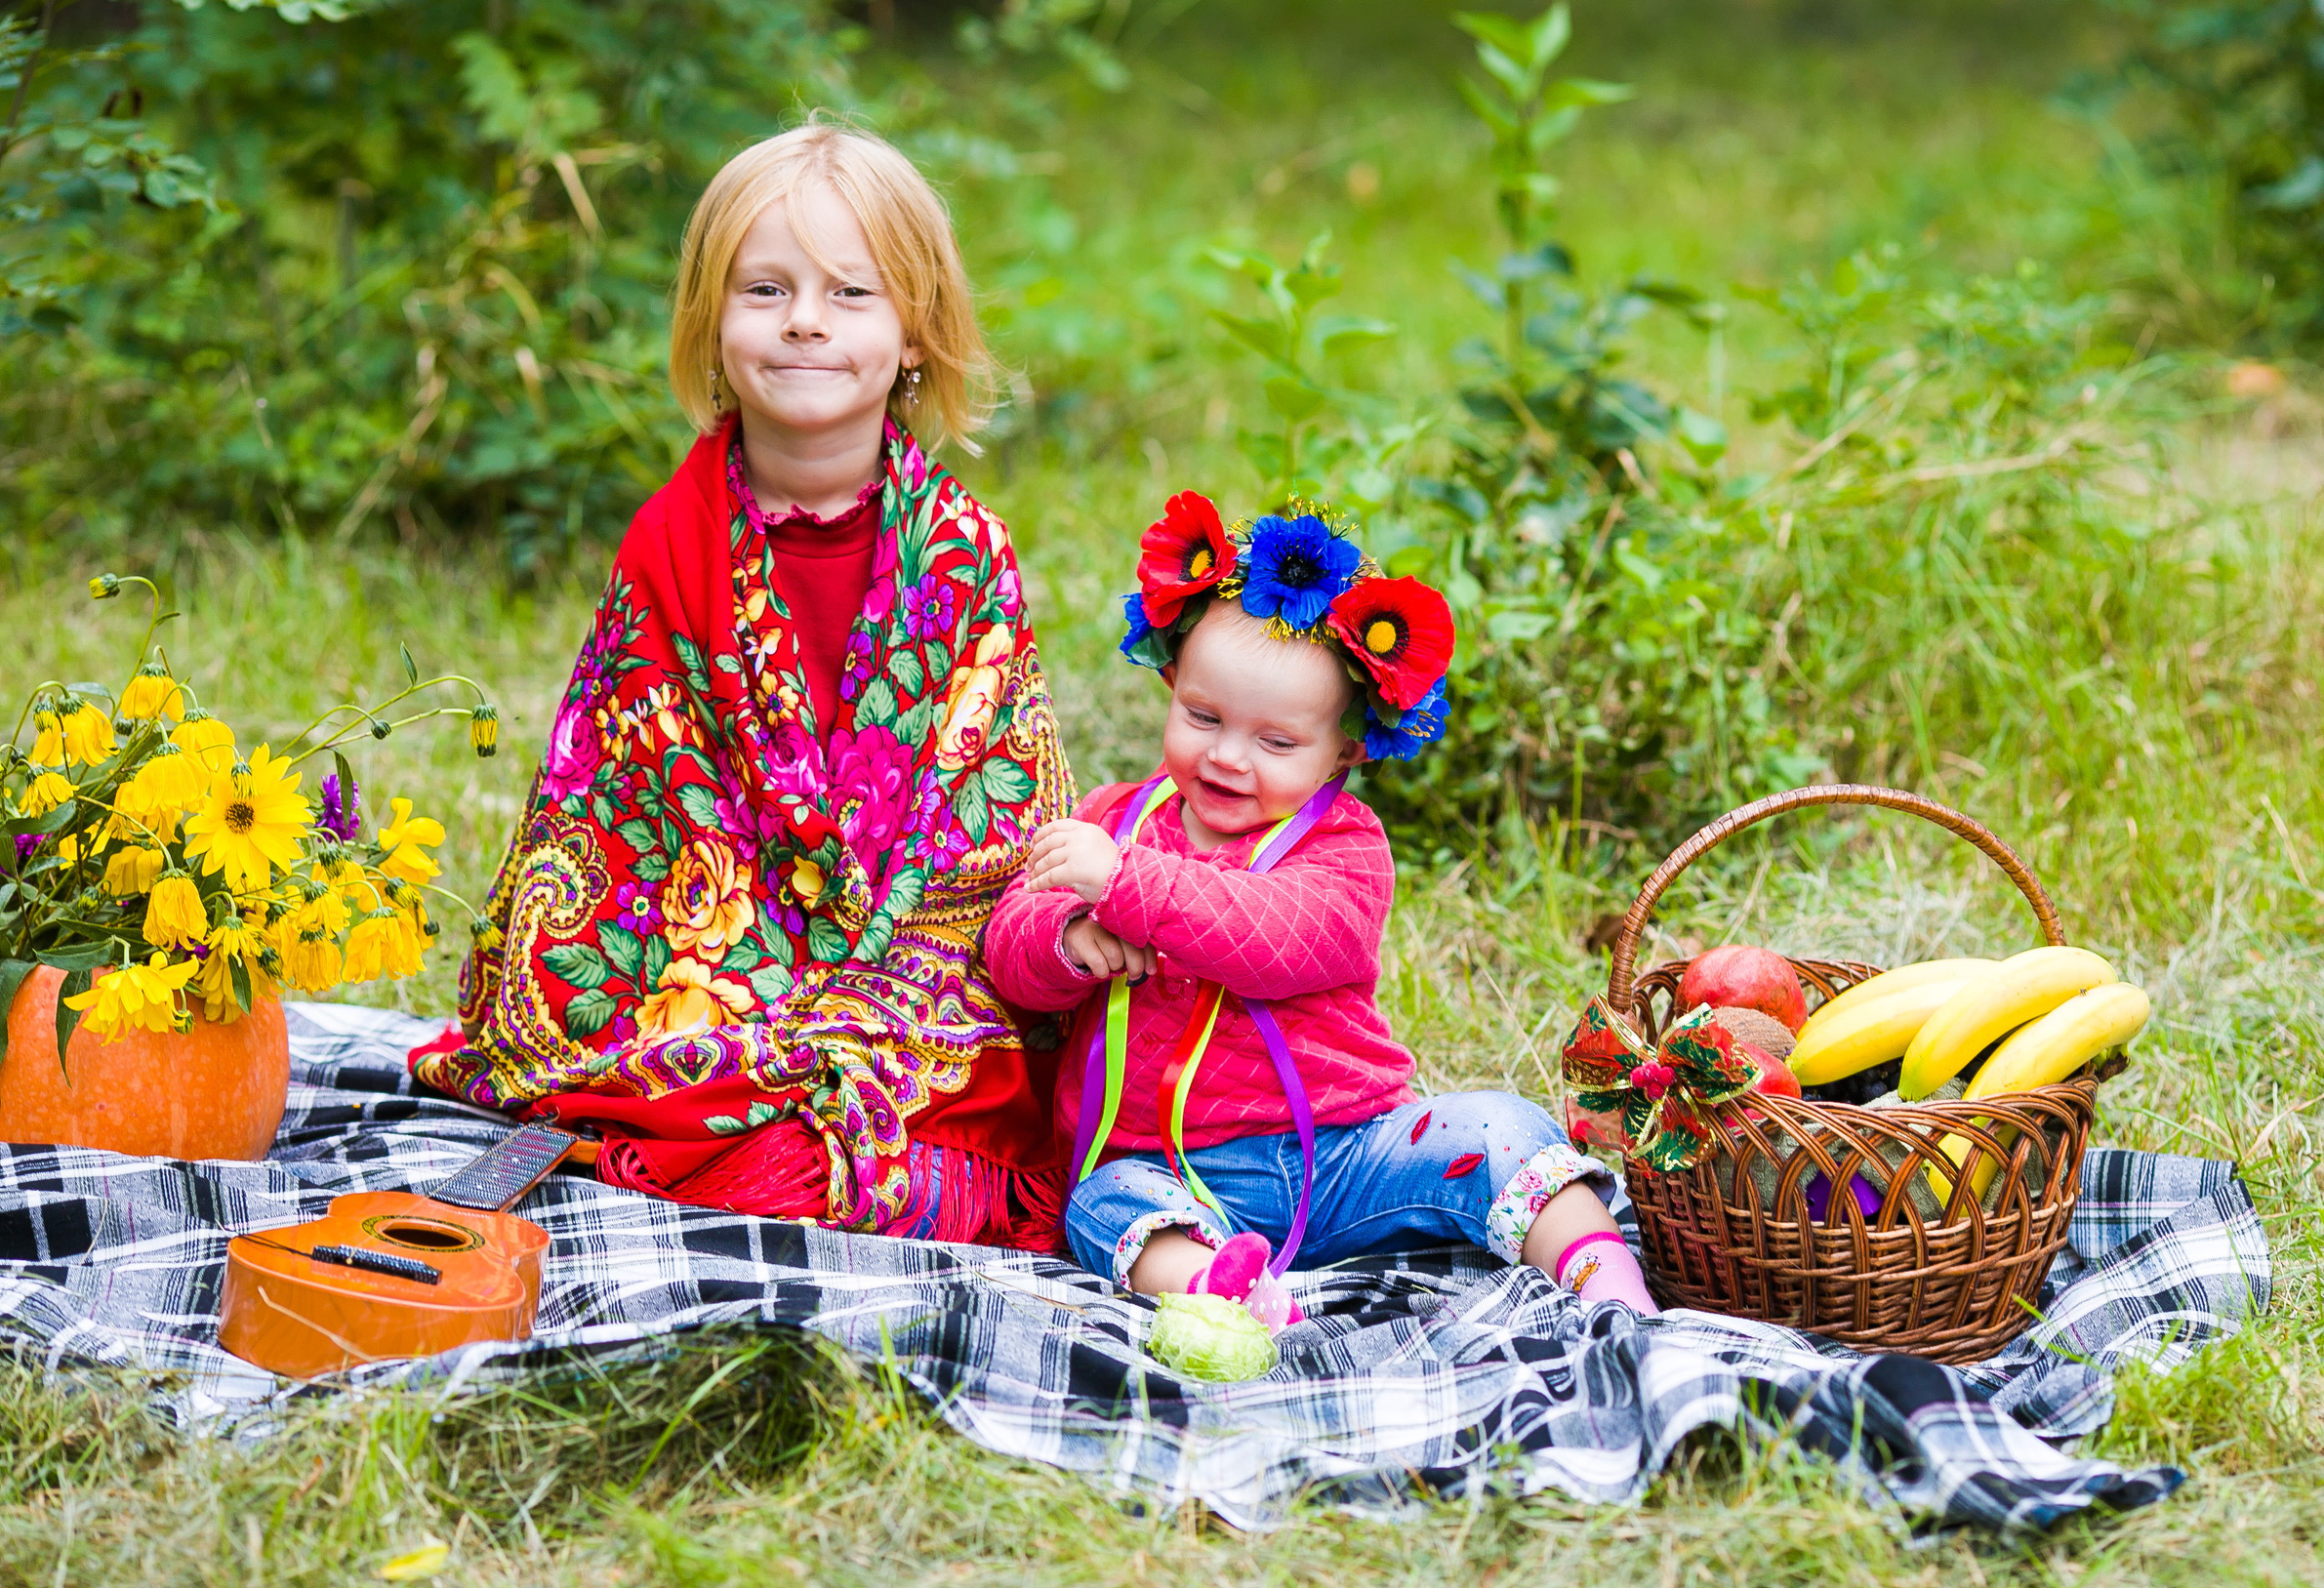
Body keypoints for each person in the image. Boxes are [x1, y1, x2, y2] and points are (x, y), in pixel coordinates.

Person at [412, 122, 1071, 1249]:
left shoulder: (968, 551)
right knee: (669, 1085)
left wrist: (877, 982)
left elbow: (990, 801)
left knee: (1031, 1082)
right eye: (765, 289)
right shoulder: (670, 547)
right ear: (713, 326)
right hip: (710, 942)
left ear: (914, 331)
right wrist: (758, 967)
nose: (805, 320)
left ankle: (876, 1145)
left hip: (908, 947)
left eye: (850, 293)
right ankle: (807, 1147)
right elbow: (631, 796)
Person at [982, 493, 1657, 1323]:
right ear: (1169, 681)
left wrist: (1124, 888)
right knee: (1101, 1206)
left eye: (1276, 742)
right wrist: (1071, 941)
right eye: (1202, 716)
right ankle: (1233, 1293)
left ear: (1346, 746)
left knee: (1499, 1128)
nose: (1228, 756)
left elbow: (1276, 938)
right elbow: (1008, 950)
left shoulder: (1344, 846)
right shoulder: (1112, 823)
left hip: (1342, 1152)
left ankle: (1615, 1293)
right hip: (1170, 1169)